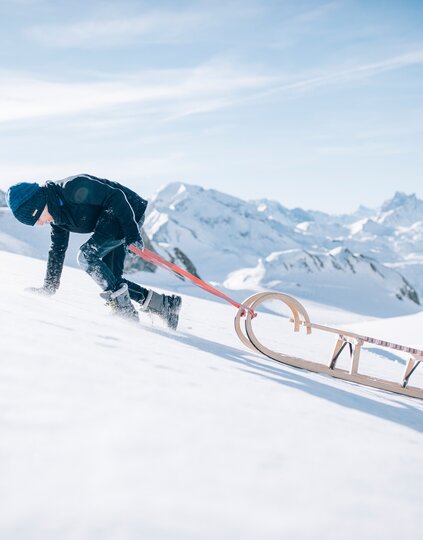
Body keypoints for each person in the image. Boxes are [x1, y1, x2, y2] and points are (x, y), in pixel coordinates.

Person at [6, 174, 182, 329]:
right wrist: (49, 287)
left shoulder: (72, 188)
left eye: (36, 218)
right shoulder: (57, 219)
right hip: (108, 221)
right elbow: (57, 250)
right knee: (111, 278)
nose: (39, 223)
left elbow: (116, 197)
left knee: (87, 256)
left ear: (38, 204)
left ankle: (123, 308)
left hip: (126, 210)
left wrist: (132, 234)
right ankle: (165, 305)